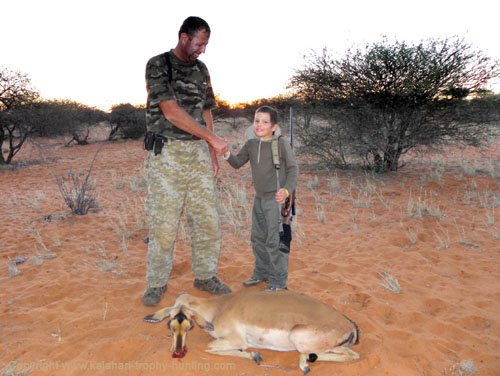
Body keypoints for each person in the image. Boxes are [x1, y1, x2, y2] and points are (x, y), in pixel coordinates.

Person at [143, 16, 231, 306]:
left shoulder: (202, 69)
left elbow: (206, 111)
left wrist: (210, 150)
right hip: (167, 154)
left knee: (207, 220)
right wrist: (214, 139)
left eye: (206, 45)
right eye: (199, 43)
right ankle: (156, 284)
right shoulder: (159, 65)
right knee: (165, 225)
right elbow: (170, 111)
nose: (202, 50)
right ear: (184, 38)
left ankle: (205, 276)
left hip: (197, 155)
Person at [224, 106, 299, 291]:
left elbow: (293, 169)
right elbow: (237, 163)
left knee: (275, 241)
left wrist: (286, 191)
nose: (259, 125)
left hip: (276, 201)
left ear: (274, 126)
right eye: (257, 121)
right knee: (258, 239)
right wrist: (225, 153)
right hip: (259, 199)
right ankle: (261, 273)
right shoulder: (250, 144)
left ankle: (278, 282)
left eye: (265, 122)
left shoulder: (281, 144)